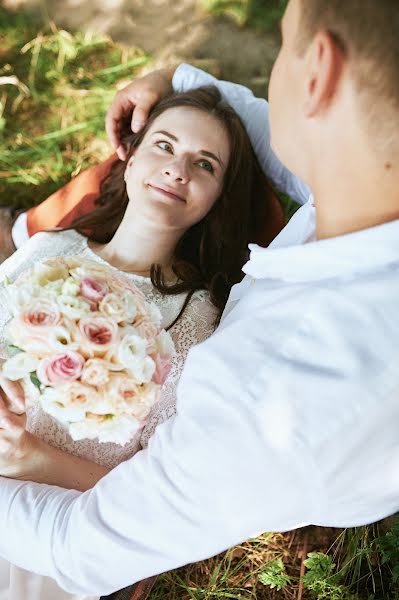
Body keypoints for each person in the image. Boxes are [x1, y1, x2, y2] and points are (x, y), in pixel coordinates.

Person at [0, 0, 399, 596]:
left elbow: (86, 540)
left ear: (318, 70)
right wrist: (176, 81)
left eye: (281, 48)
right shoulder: (366, 181)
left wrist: (24, 454)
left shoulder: (263, 393)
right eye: (161, 145)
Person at [0, 86, 283, 600]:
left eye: (205, 164)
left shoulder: (198, 324)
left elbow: (152, 495)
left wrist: (30, 457)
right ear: (128, 157)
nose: (178, 170)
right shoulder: (47, 250)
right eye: (165, 145)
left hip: (51, 525)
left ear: (219, 198)